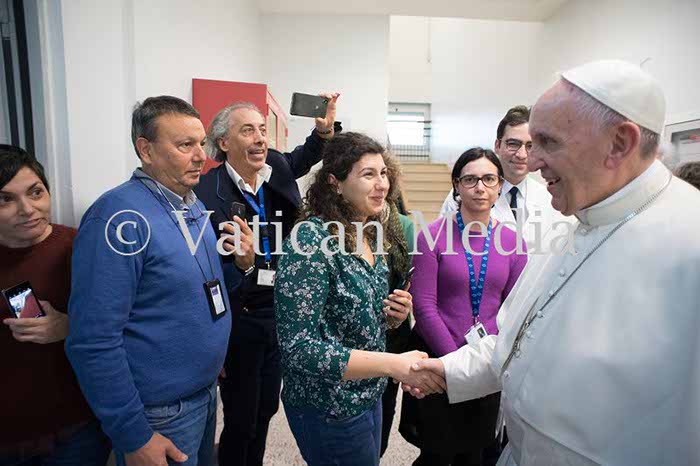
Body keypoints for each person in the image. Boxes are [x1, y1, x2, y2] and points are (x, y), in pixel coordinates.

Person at [406, 60, 700, 466]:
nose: (531, 162)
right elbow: (515, 338)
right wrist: (446, 370)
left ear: (619, 143)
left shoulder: (689, 242)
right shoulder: (573, 224)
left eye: (548, 143)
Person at [66, 96, 249, 466]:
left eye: (201, 144)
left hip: (203, 392)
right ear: (145, 150)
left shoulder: (192, 203)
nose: (201, 156)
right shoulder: (117, 218)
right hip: (160, 413)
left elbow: (198, 288)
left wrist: (241, 265)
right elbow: (93, 341)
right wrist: (133, 435)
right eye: (185, 145)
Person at [274, 132, 446, 466]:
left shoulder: (369, 233)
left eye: (383, 173)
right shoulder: (310, 240)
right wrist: (394, 364)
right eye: (368, 174)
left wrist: (393, 316)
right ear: (335, 183)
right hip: (329, 405)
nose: (382, 184)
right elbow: (298, 348)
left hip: (369, 393)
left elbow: (356, 318)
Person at [194, 94, 338, 466]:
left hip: (278, 310)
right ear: (224, 143)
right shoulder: (205, 194)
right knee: (241, 417)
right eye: (248, 131)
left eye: (262, 130)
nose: (260, 138)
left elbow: (303, 157)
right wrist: (213, 338)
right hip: (238, 314)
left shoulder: (274, 165)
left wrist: (323, 132)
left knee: (265, 410)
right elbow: (200, 272)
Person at [401, 148, 527, 466]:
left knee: (477, 452)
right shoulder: (432, 236)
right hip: (438, 360)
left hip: (487, 362)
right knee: (436, 454)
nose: (479, 187)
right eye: (470, 179)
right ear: (457, 185)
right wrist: (455, 365)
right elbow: (425, 307)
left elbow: (512, 309)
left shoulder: (513, 242)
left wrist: (482, 361)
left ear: (500, 186)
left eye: (488, 179)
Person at [0, 145, 110, 466]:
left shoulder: (82, 246)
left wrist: (70, 327)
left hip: (74, 428)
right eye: (5, 199)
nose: (27, 209)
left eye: (36, 192)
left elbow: (129, 322)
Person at [439, 106, 569, 250]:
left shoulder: (548, 197)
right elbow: (444, 247)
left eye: (530, 146)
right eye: (513, 144)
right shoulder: (463, 196)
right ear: (497, 146)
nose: (521, 155)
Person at [378, 155, 415, 458]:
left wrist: (404, 305)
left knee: (383, 412)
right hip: (348, 341)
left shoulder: (403, 226)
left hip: (392, 335)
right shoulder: (334, 228)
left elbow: (410, 279)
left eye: (383, 175)